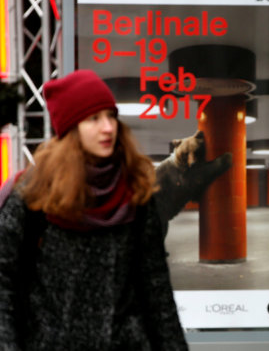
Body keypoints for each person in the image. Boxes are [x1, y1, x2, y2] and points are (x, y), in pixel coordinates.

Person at [0, 70, 188, 350]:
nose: (108, 127)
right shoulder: (33, 192)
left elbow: (156, 289)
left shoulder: (135, 191)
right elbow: (3, 283)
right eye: (94, 118)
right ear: (71, 128)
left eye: (111, 116)